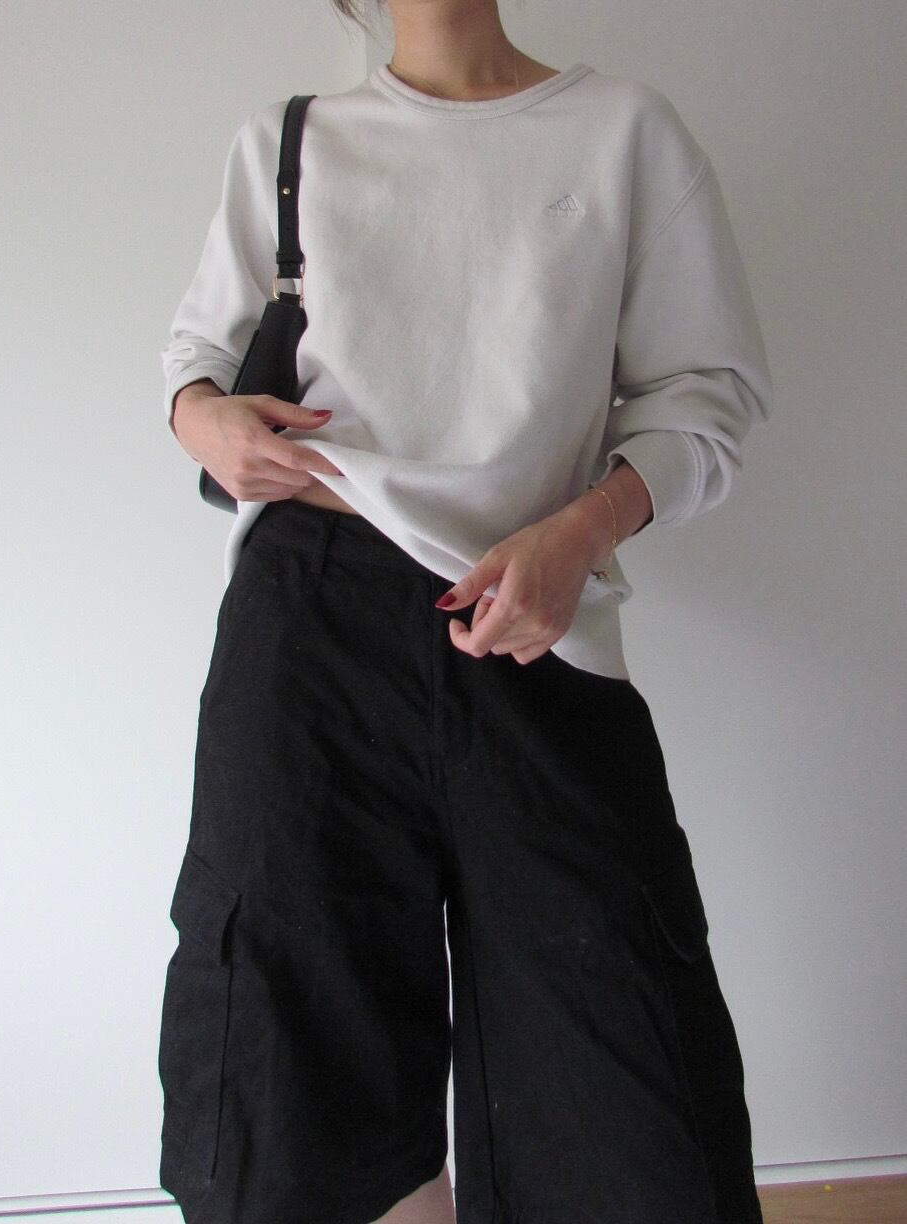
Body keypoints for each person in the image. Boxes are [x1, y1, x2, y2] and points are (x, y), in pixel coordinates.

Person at [156, 1, 774, 1221]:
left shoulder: (624, 133)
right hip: (308, 622)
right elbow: (196, 362)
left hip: (535, 616)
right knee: (289, 1064)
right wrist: (202, 420)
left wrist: (582, 532)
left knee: (625, 1068)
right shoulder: (289, 141)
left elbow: (705, 398)